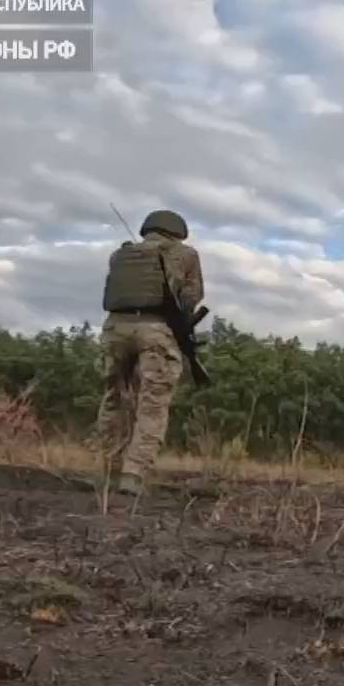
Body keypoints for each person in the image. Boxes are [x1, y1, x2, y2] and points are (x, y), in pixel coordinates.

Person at [94, 209, 204, 496]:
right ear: (178, 230)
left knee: (113, 398)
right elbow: (191, 298)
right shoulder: (185, 254)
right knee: (153, 403)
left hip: (114, 328)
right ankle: (133, 473)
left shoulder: (120, 256)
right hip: (156, 330)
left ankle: (109, 468)